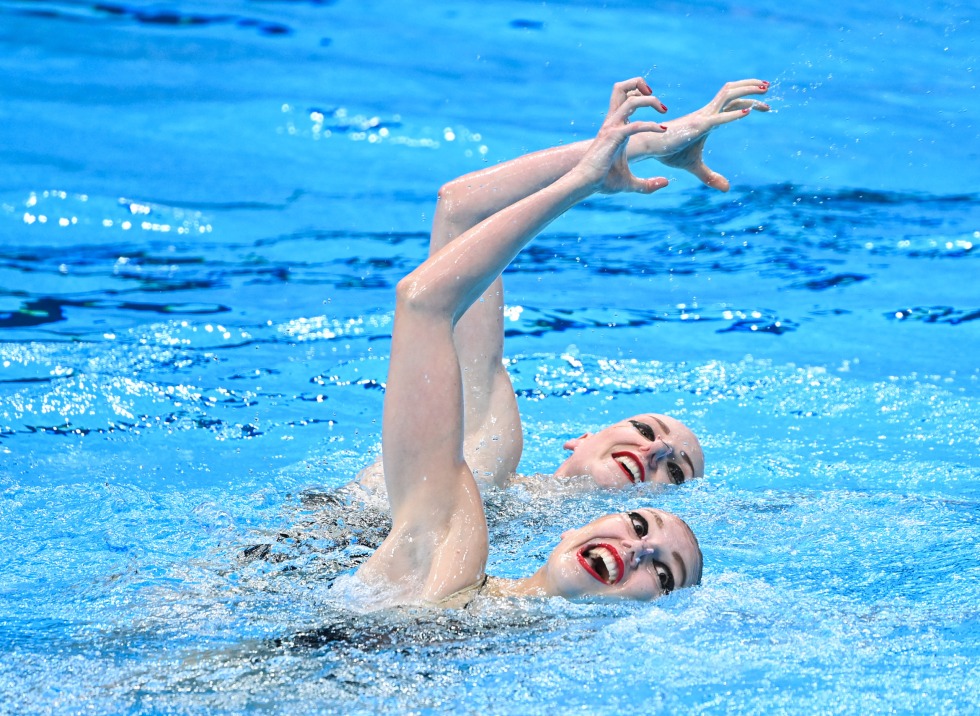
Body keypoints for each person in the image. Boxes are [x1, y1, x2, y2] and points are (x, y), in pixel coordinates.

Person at [350, 76, 771, 608]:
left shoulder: (489, 556)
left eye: (675, 472)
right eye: (645, 429)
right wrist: (628, 149)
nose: (656, 450)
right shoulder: (483, 460)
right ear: (581, 436)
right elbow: (458, 217)